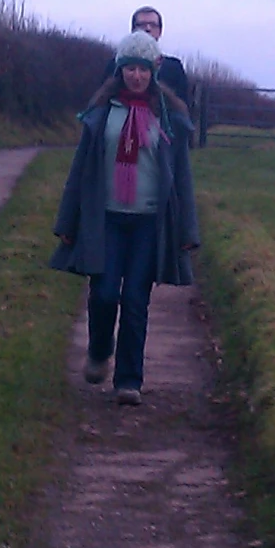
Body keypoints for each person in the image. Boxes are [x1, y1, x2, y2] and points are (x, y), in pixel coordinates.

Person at [51, 31, 200, 405]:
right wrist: (67, 224)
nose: (136, 76)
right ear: (120, 71)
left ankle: (129, 381)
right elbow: (80, 171)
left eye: (143, 69)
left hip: (149, 222)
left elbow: (181, 177)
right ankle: (100, 350)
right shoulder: (101, 115)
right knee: (103, 294)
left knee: (135, 299)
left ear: (153, 72)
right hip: (108, 220)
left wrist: (186, 230)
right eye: (130, 68)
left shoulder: (169, 119)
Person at [129, 5, 191, 105]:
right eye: (142, 25)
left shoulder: (174, 68)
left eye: (153, 25)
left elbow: (183, 109)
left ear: (160, 31)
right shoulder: (117, 64)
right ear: (133, 30)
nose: (148, 29)